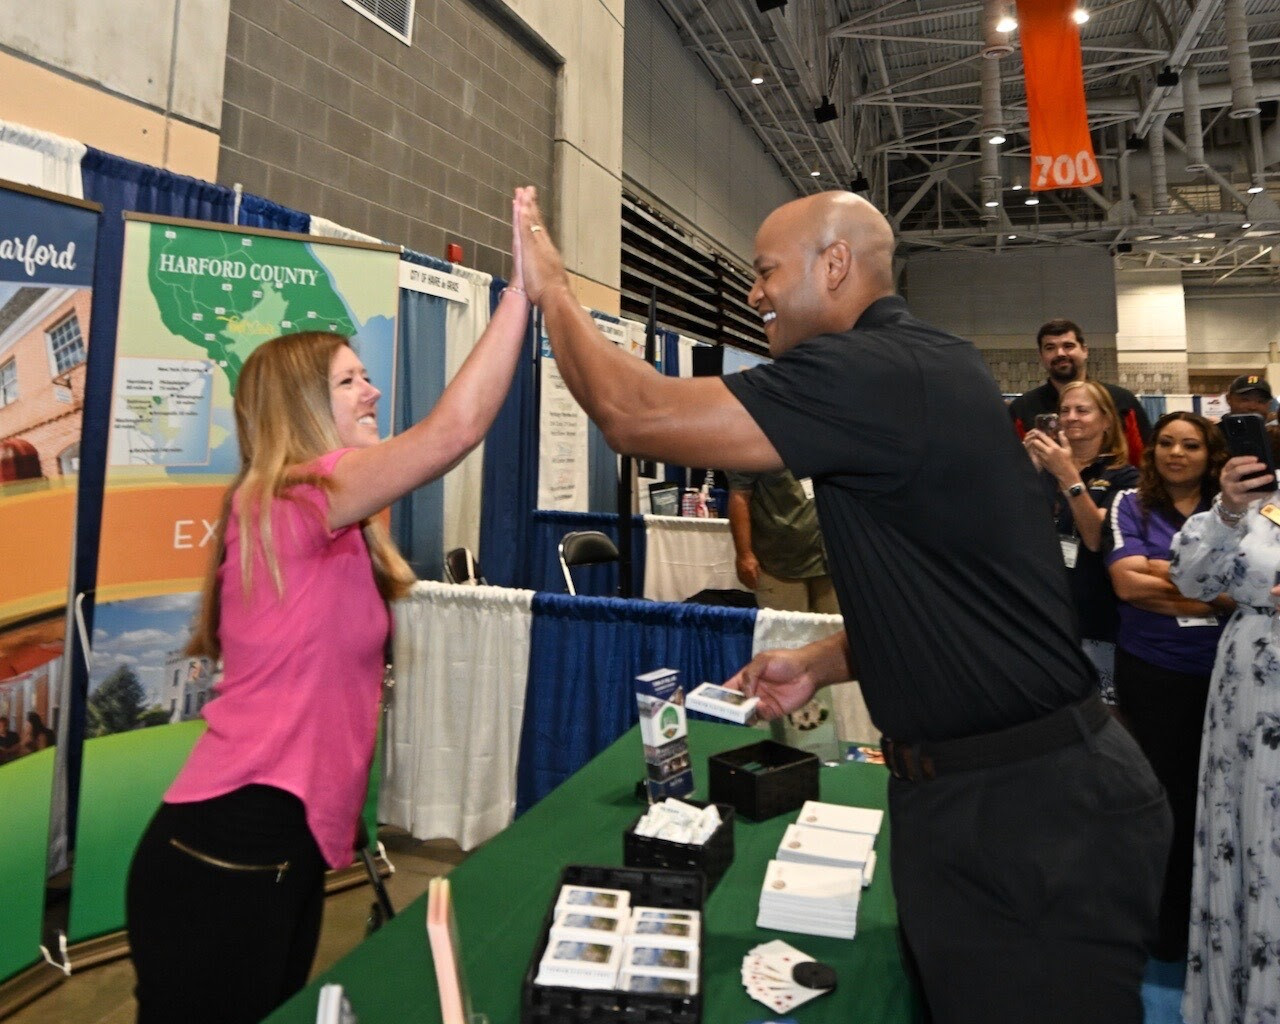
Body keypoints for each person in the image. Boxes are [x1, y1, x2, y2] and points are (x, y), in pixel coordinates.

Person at [515, 186, 1170, 1022]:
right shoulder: (926, 367)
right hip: (991, 800)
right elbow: (955, 591)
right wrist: (823, 662)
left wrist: (554, 290)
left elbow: (633, 411)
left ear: (833, 266)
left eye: (763, 272)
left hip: (1031, 817)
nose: (753, 294)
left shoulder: (879, 370)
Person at [124, 189, 533, 1024]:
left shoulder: (335, 525)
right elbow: (453, 432)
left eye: (367, 374)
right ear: (303, 408)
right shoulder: (292, 499)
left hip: (282, 850)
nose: (373, 391)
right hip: (227, 848)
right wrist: (522, 292)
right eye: (350, 381)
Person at [1105, 411, 1233, 964]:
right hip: (1154, 672)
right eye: (1166, 443)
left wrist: (1165, 569)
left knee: (1219, 799)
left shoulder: (1236, 510)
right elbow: (1128, 586)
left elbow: (1252, 582)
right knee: (1164, 800)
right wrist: (1215, 595)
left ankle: (1221, 918)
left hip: (1225, 675)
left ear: (1211, 455)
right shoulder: (1129, 503)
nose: (1176, 454)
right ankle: (1165, 927)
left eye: (1191, 445)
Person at [1169, 424, 1280, 1024]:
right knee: (1251, 839)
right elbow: (1189, 579)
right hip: (1253, 693)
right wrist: (1229, 512)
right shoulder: (1257, 502)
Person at [1022, 379, 1136, 704]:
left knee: (1101, 721)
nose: (1070, 417)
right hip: (1043, 618)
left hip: (1096, 621)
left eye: (1082, 410)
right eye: (1064, 410)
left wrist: (1069, 476)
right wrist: (1026, 472)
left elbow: (1096, 539)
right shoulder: (1041, 472)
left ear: (1106, 421)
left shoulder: (1124, 477)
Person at [1008, 318, 1151, 463]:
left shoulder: (1121, 401)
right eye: (1050, 348)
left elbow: (1145, 459)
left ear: (1084, 350)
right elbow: (1009, 464)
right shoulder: (1022, 408)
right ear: (1041, 356)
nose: (1060, 353)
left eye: (1068, 346)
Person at [725, 468, 836, 613]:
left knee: (836, 630)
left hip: (832, 560)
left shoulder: (833, 445)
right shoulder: (757, 447)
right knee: (789, 633)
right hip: (779, 562)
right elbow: (739, 495)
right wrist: (744, 555)